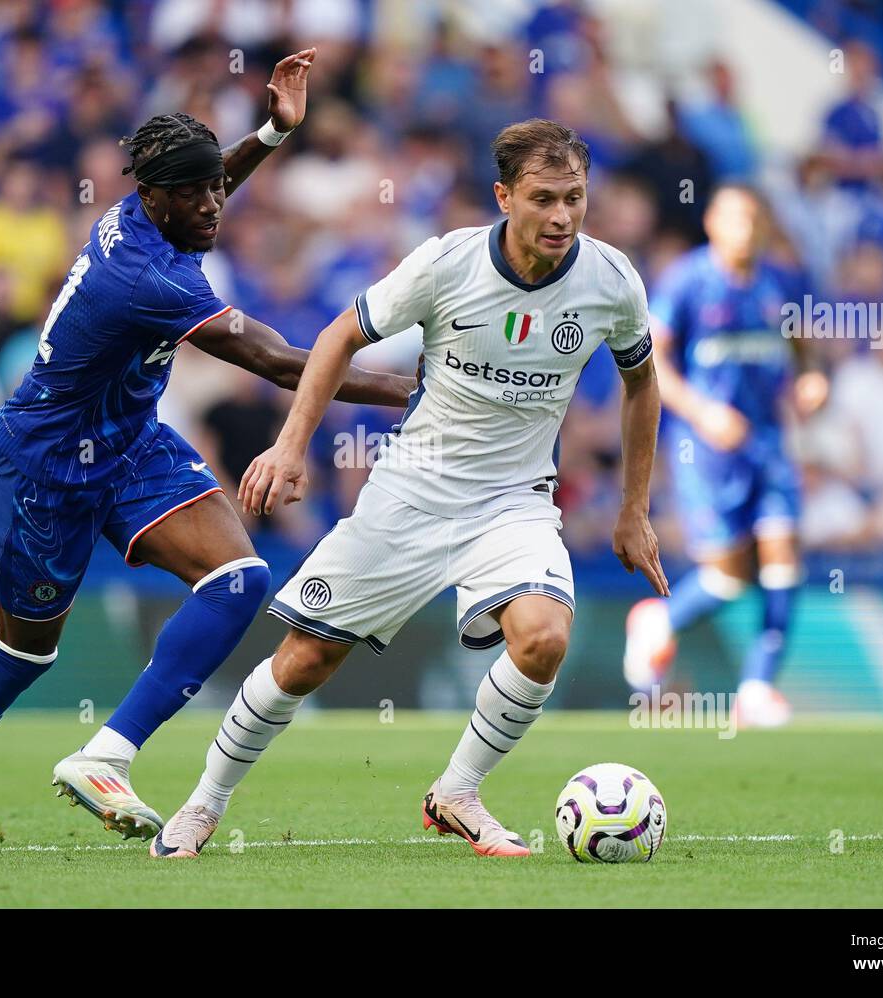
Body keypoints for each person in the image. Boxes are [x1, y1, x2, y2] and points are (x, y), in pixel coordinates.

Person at [0, 49, 417, 842]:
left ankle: (107, 753)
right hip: (42, 464)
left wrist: (270, 134)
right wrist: (414, 387)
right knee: (26, 655)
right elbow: (284, 363)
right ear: (153, 198)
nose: (213, 204)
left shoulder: (153, 213)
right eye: (194, 194)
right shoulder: (150, 278)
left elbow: (206, 179)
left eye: (215, 186)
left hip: (129, 443)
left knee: (238, 580)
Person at [151, 118, 667, 860]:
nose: (561, 217)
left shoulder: (610, 281)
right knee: (304, 660)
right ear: (503, 197)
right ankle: (203, 805)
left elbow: (641, 382)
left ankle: (457, 793)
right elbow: (337, 338)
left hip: (514, 501)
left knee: (545, 638)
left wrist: (633, 509)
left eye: (575, 199)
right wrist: (292, 445)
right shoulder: (446, 264)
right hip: (411, 493)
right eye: (544, 198)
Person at [623, 184, 827, 727]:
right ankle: (657, 622)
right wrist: (701, 413)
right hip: (707, 452)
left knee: (784, 558)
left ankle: (757, 689)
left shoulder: (777, 282)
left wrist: (810, 379)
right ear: (713, 223)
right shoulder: (689, 280)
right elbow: (653, 360)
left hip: (769, 445)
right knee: (729, 577)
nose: (746, 228)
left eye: (755, 218)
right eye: (735, 218)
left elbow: (804, 346)